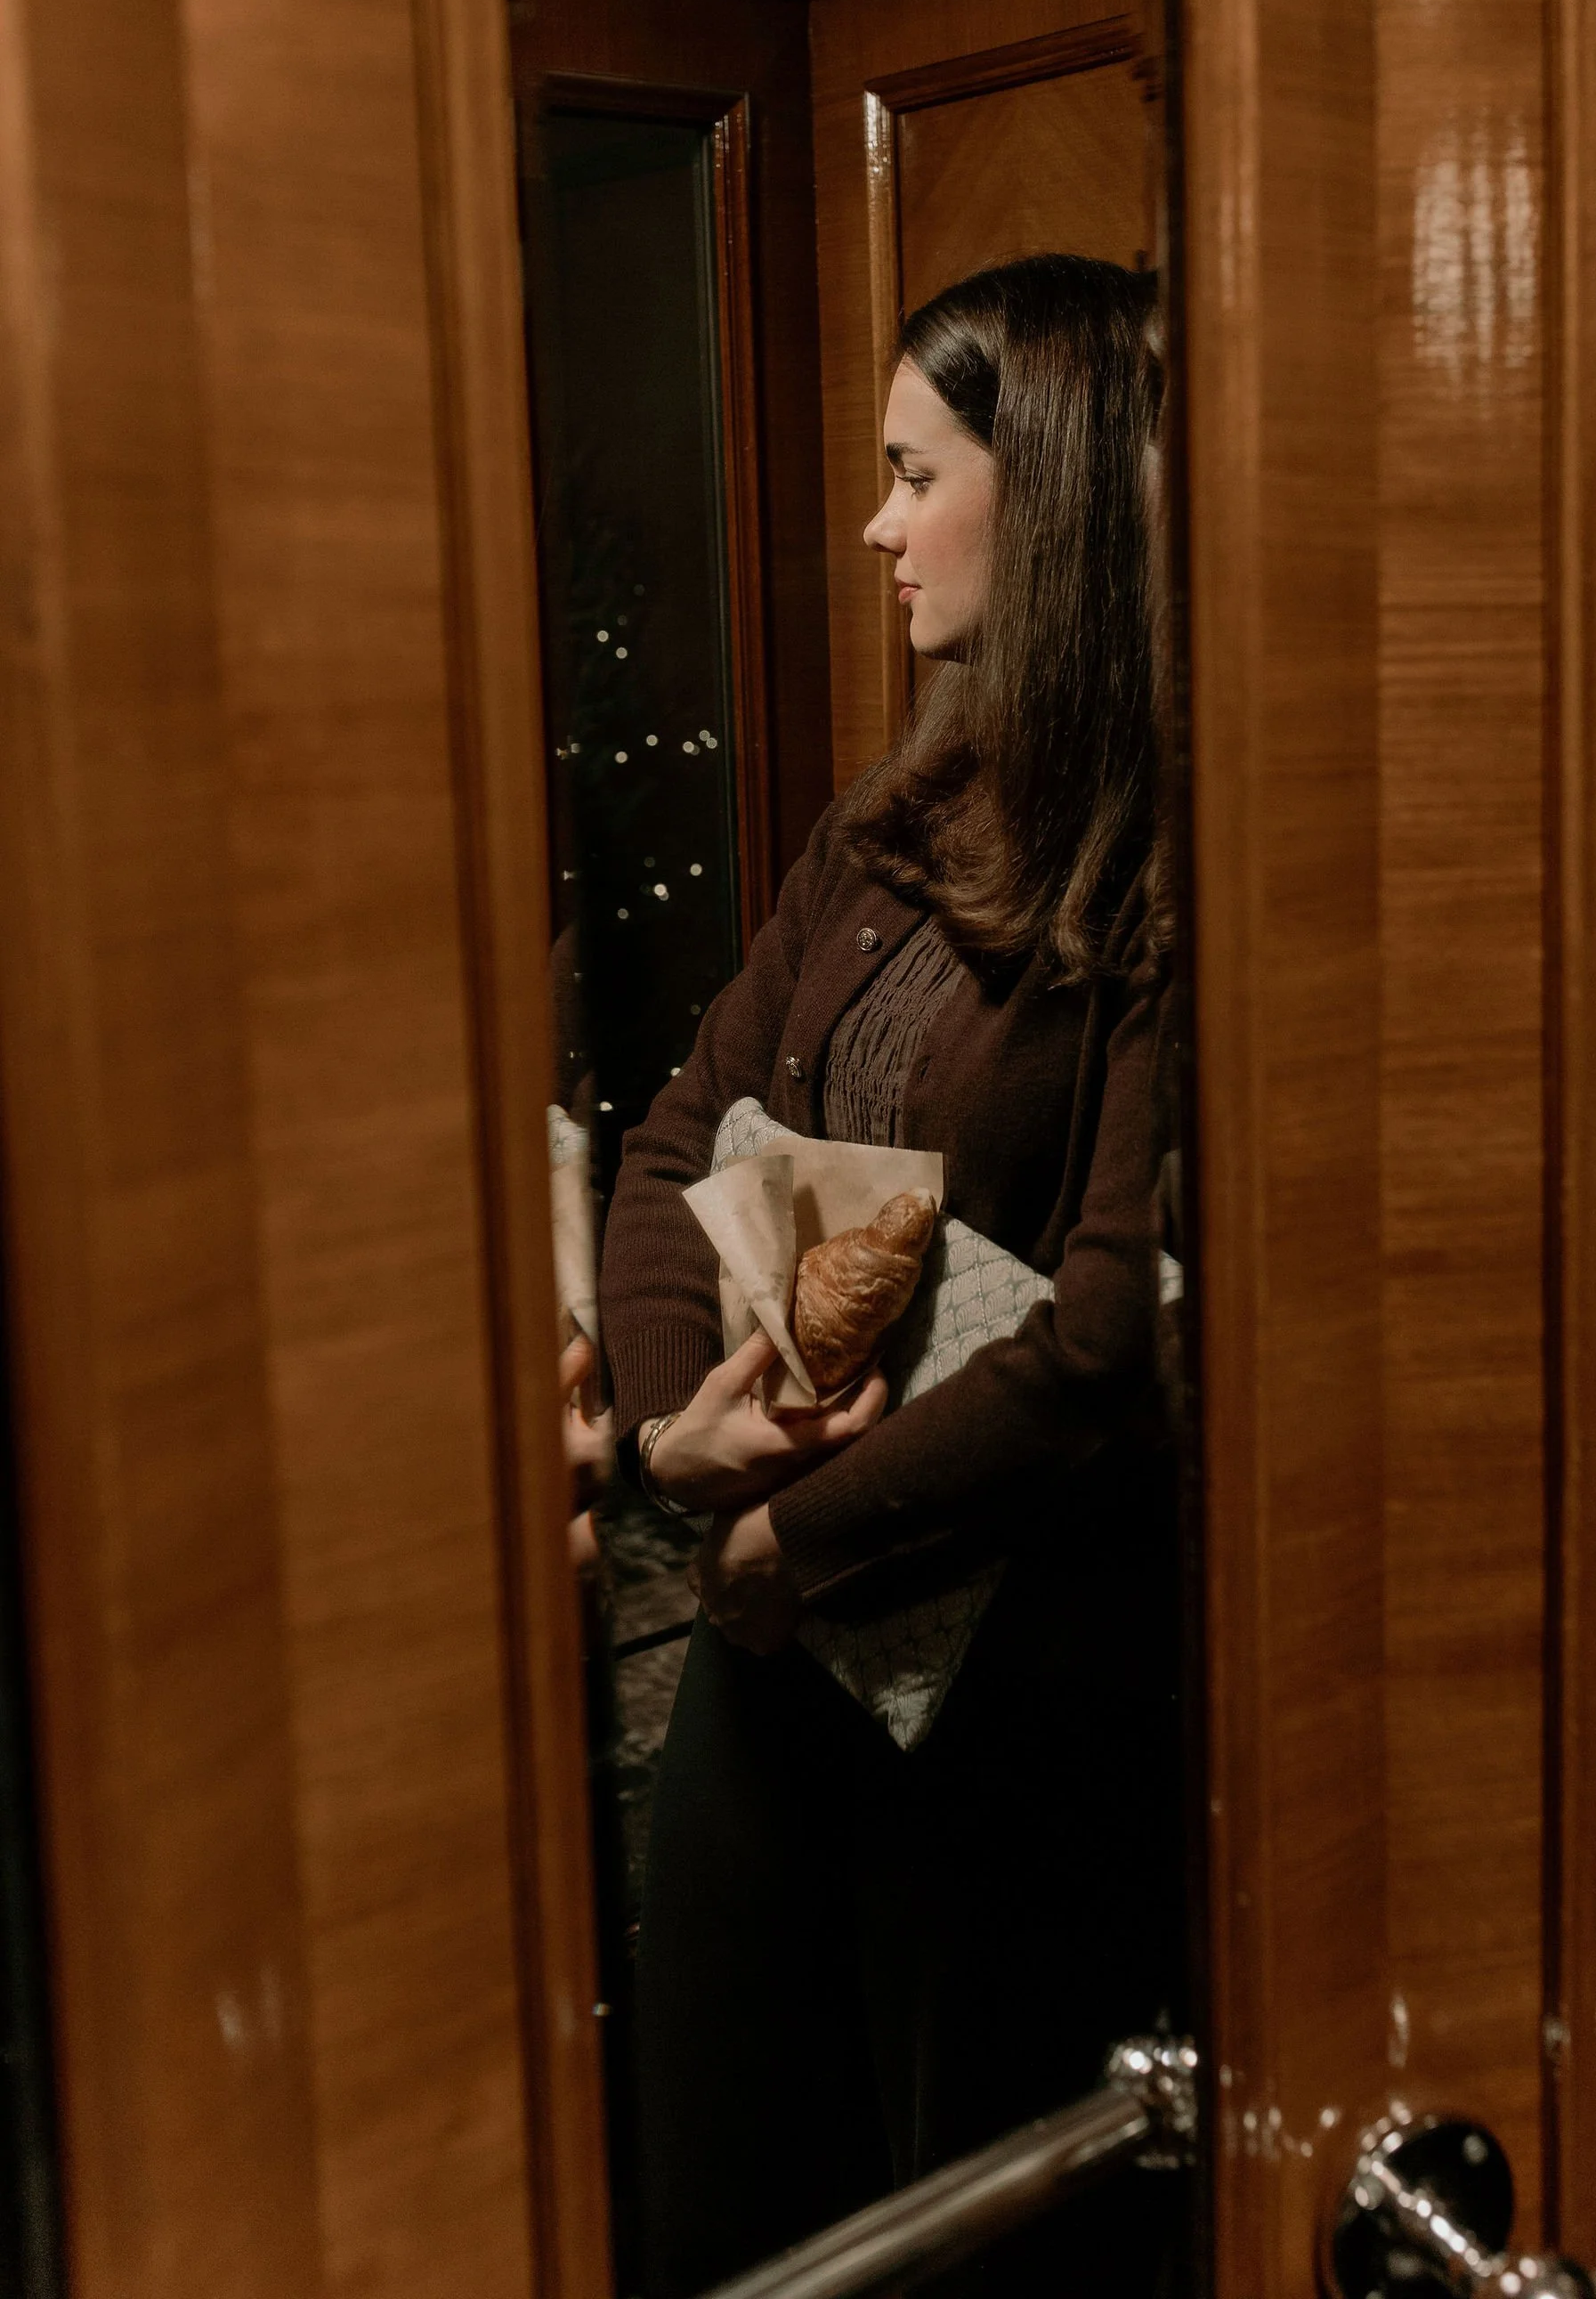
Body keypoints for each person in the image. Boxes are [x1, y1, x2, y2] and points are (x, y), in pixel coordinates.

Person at [595, 254, 1186, 2299]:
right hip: (772, 1687)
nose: (872, 524)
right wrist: (683, 1429)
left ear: (1055, 497)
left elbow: (1107, 1337)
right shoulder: (885, 824)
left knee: (966, 2245)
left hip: (1003, 1715)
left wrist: (796, 1541)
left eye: (908, 471)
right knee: (726, 2213)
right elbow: (680, 1135)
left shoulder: (1170, 871)